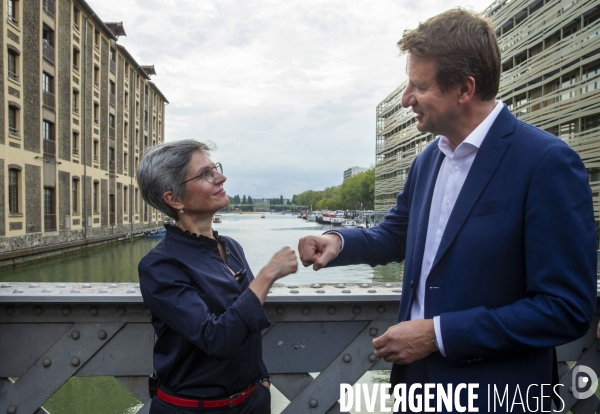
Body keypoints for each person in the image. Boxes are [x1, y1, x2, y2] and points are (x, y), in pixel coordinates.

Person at [298, 9, 597, 413]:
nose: (406, 99)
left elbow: (566, 309)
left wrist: (438, 335)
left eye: (418, 86)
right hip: (414, 390)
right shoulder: (427, 161)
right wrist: (336, 241)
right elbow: (395, 234)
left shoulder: (547, 163)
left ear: (464, 89)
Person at [137, 140, 298, 414]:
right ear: (174, 199)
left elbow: (248, 326)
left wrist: (261, 381)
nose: (221, 178)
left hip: (251, 403)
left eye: (216, 169)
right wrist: (267, 274)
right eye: (204, 174)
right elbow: (215, 337)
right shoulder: (160, 265)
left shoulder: (231, 247)